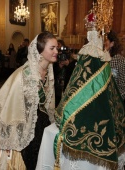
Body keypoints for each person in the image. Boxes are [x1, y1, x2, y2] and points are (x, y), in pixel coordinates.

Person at [54, 6, 125, 170]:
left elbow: (121, 86)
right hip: (91, 105)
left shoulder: (116, 60)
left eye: (105, 39)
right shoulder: (93, 55)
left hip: (109, 104)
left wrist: (114, 101)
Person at [0, 31, 58, 170]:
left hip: (40, 126)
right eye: (52, 48)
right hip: (23, 127)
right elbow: (12, 108)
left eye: (56, 48)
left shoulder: (49, 70)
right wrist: (10, 140)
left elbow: (47, 102)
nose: (56, 51)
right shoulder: (24, 75)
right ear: (40, 50)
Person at [104, 30, 125, 104]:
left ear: (112, 44)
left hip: (116, 100)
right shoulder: (99, 58)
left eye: (105, 40)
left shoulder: (120, 60)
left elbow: (123, 85)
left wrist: (116, 99)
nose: (103, 43)